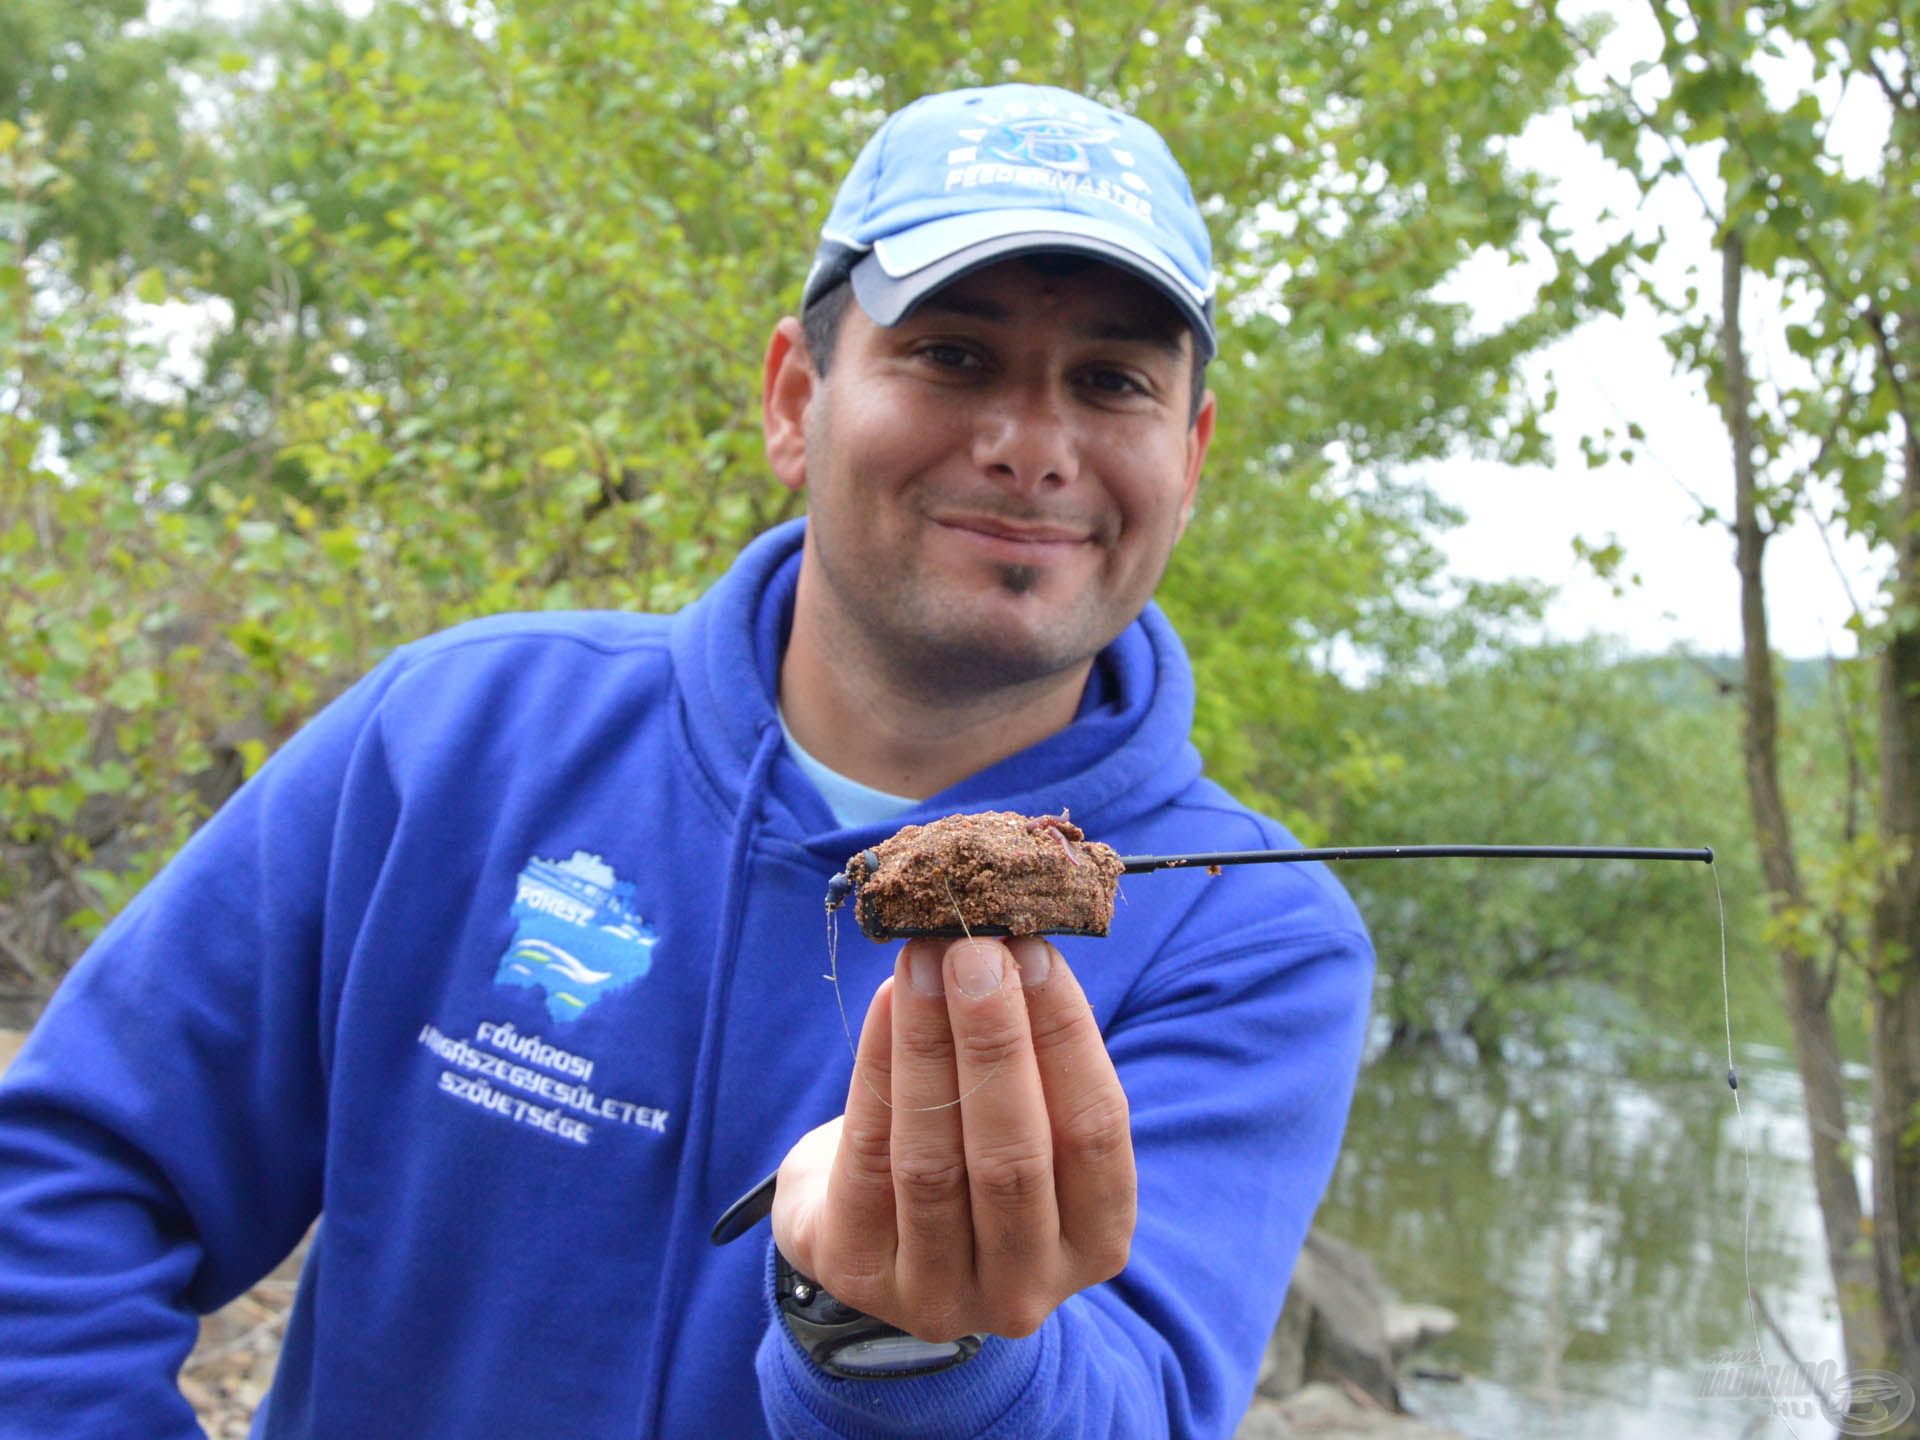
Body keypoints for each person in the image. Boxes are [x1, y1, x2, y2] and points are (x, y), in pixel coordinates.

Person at [0, 83, 1373, 1438]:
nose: (1029, 446)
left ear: (1188, 461)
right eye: (953, 354)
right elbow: (64, 1181)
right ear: (796, 399)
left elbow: (1136, 1408)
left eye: (1113, 381)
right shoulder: (458, 738)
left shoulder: (1253, 937)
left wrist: (905, 1348)